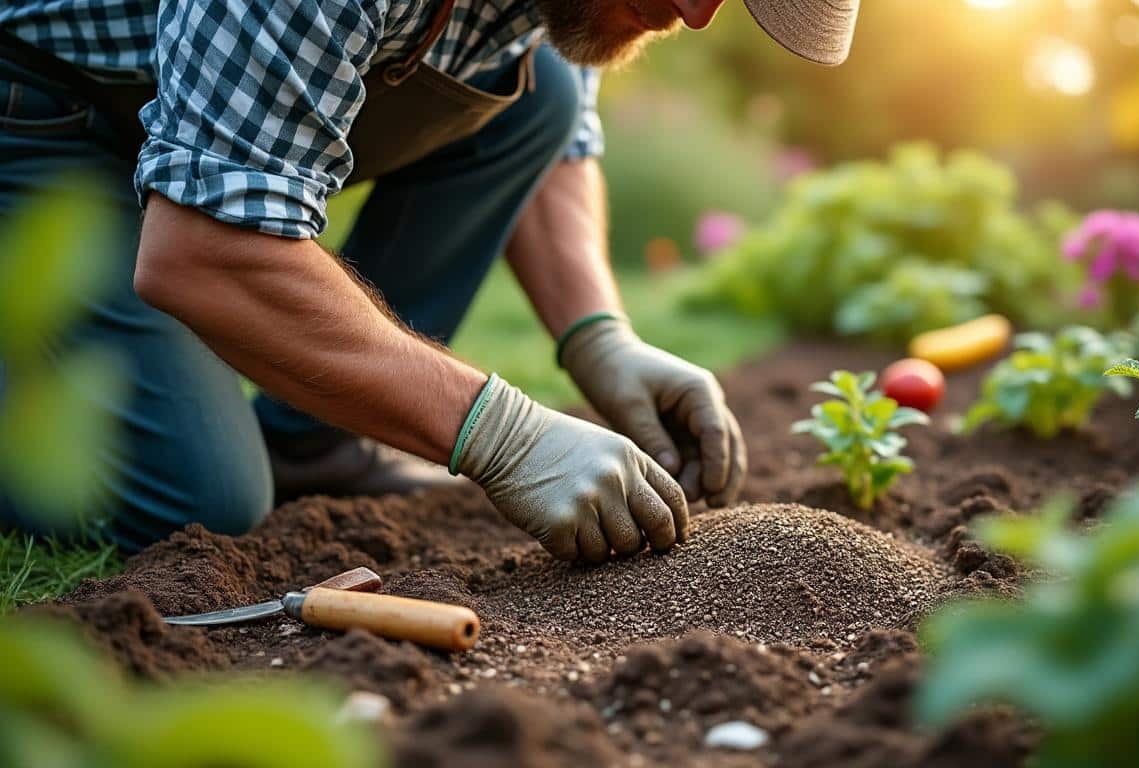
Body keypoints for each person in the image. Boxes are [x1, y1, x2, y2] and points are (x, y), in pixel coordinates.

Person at [0, 0, 860, 557]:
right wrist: (502, 432)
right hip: (44, 110)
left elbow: (558, 136)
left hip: (182, 119)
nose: (700, 13)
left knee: (542, 88)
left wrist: (602, 337)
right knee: (194, 503)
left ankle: (313, 438)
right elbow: (205, 248)